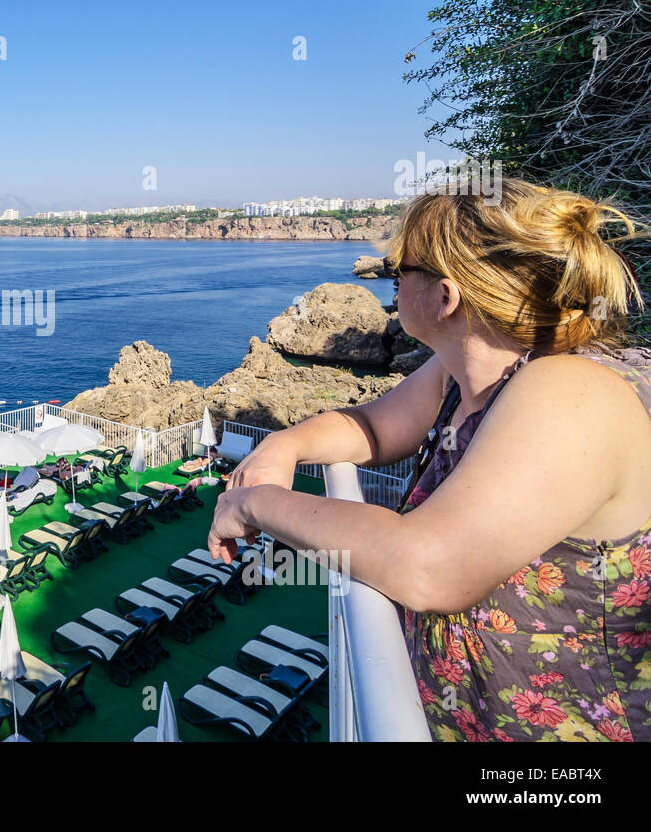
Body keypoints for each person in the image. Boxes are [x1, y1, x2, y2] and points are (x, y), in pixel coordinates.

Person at [208, 178, 651, 741]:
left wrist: (254, 503)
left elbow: (429, 566)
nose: (390, 280)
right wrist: (283, 446)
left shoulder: (571, 390)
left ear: (446, 297)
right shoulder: (466, 372)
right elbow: (371, 426)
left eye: (401, 269)